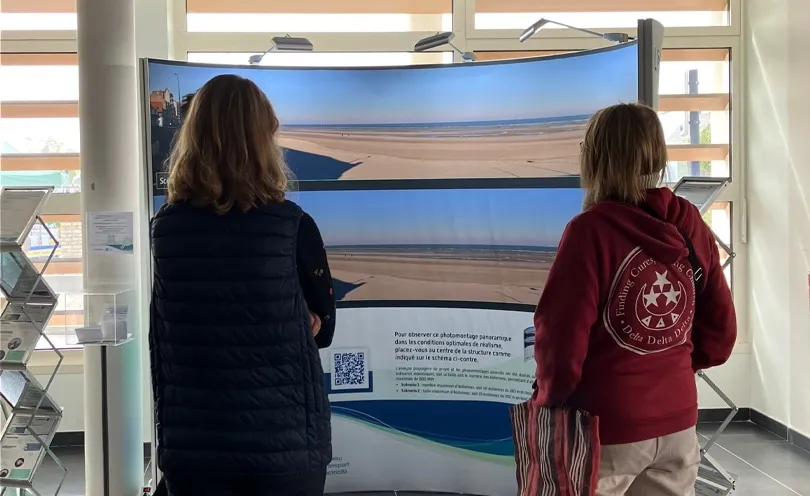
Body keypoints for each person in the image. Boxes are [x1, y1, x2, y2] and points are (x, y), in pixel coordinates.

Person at [532, 103, 736, 496]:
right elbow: (721, 334)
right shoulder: (691, 222)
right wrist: (668, 368)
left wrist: (549, 397)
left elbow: (561, 337)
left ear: (596, 159)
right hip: (678, 422)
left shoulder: (588, 232)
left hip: (606, 427)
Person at [149, 74, 335, 496]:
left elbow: (168, 327)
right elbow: (322, 328)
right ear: (263, 141)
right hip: (285, 447)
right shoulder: (293, 226)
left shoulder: (167, 228)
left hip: (194, 448)